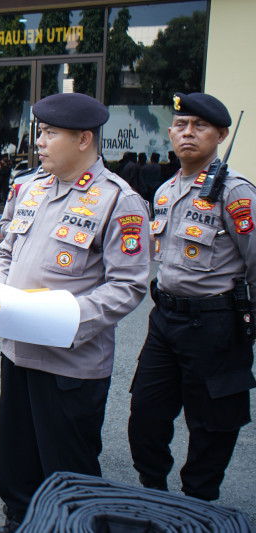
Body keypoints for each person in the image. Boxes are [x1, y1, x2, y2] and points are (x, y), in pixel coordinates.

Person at [0, 93, 150, 532]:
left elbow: (128, 285)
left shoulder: (118, 201)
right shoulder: (31, 187)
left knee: (68, 470)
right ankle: (18, 521)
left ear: (83, 139)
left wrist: (65, 317)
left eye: (50, 133)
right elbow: (6, 250)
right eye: (40, 131)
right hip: (18, 353)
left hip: (70, 365)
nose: (39, 141)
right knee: (17, 456)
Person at [128, 92, 256, 502]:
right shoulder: (166, 190)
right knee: (145, 413)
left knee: (212, 423)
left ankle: (199, 502)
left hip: (215, 323)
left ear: (220, 135)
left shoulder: (235, 192)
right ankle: (154, 492)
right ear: (170, 133)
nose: (188, 133)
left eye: (199, 126)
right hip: (165, 320)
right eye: (181, 125)